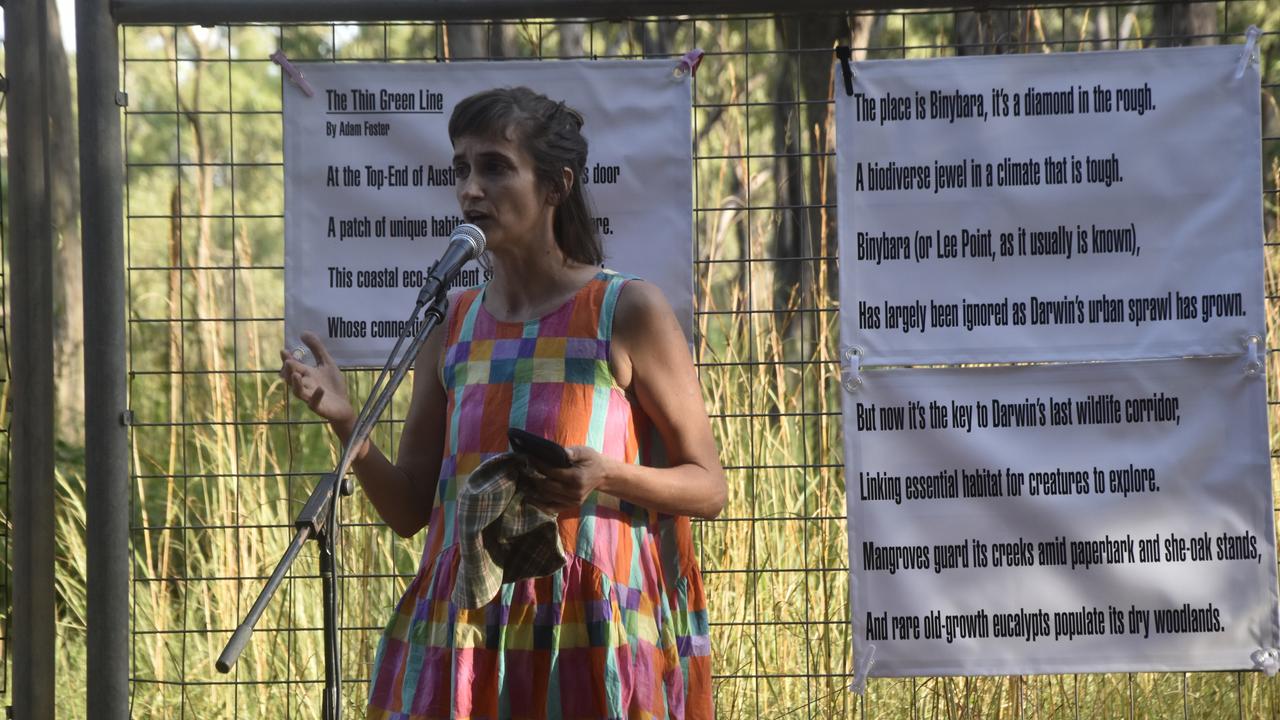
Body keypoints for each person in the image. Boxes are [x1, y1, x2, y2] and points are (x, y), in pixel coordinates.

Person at [279, 86, 726, 719]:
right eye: (460, 168)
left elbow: (708, 487)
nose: (470, 188)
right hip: (468, 632)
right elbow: (410, 509)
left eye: (494, 166)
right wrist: (350, 427)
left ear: (555, 186)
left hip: (584, 627)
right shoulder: (452, 322)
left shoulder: (625, 310)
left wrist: (606, 476)